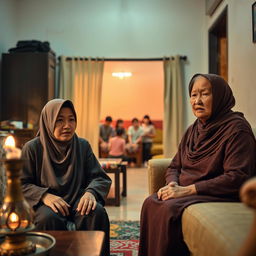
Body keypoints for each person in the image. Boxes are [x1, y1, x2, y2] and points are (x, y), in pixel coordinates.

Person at [139, 74, 256, 256]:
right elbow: (174, 166)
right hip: (186, 190)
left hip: (218, 194)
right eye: (193, 95)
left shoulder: (237, 129)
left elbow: (237, 177)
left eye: (205, 94)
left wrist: (188, 190)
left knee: (169, 209)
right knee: (150, 202)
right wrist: (173, 184)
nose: (197, 101)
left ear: (219, 96)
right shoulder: (194, 129)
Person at [21, 99, 112, 256]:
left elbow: (99, 177)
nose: (67, 126)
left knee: (95, 212)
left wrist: (90, 193)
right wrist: (44, 195)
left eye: (71, 119)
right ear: (48, 121)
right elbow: (21, 184)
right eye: (59, 120)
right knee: (46, 218)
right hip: (46, 204)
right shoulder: (32, 148)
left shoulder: (82, 146)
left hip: (78, 198)